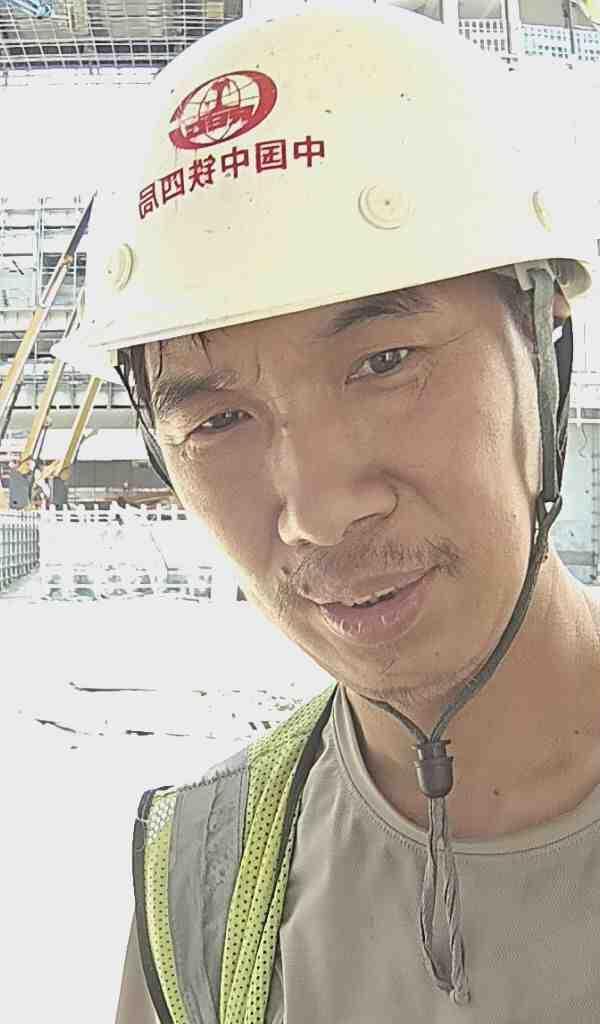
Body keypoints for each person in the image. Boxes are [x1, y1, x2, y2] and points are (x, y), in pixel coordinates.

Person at [53, 3, 600, 1021]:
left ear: (542, 340)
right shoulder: (200, 887)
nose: (315, 512)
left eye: (385, 362)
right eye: (218, 420)